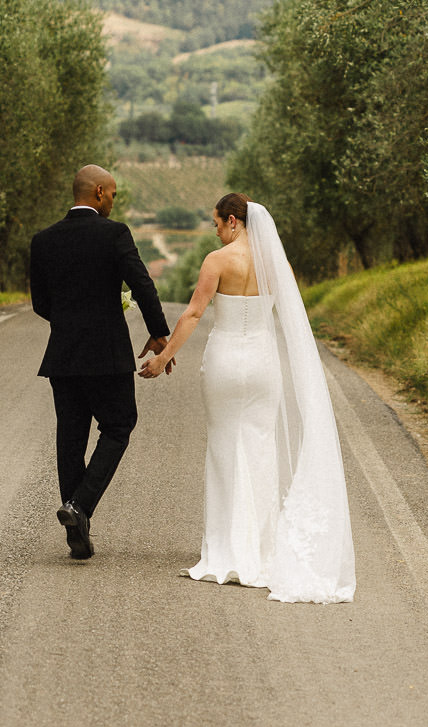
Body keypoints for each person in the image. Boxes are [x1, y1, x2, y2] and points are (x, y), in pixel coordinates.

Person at [140, 192, 355, 604]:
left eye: (218, 223)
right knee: (259, 449)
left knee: (223, 448)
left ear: (234, 221)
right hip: (262, 364)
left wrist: (164, 356)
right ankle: (259, 549)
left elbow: (193, 315)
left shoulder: (216, 261)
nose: (216, 230)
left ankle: (224, 548)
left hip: (224, 363)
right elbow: (288, 317)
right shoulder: (278, 263)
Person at [29, 164, 171, 560]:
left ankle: (77, 522)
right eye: (111, 194)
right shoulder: (115, 234)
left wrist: (72, 323)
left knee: (70, 437)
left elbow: (41, 304)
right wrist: (160, 333)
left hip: (63, 357)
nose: (112, 200)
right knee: (119, 425)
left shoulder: (43, 240)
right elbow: (142, 284)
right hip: (107, 356)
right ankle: (79, 508)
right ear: (97, 193)